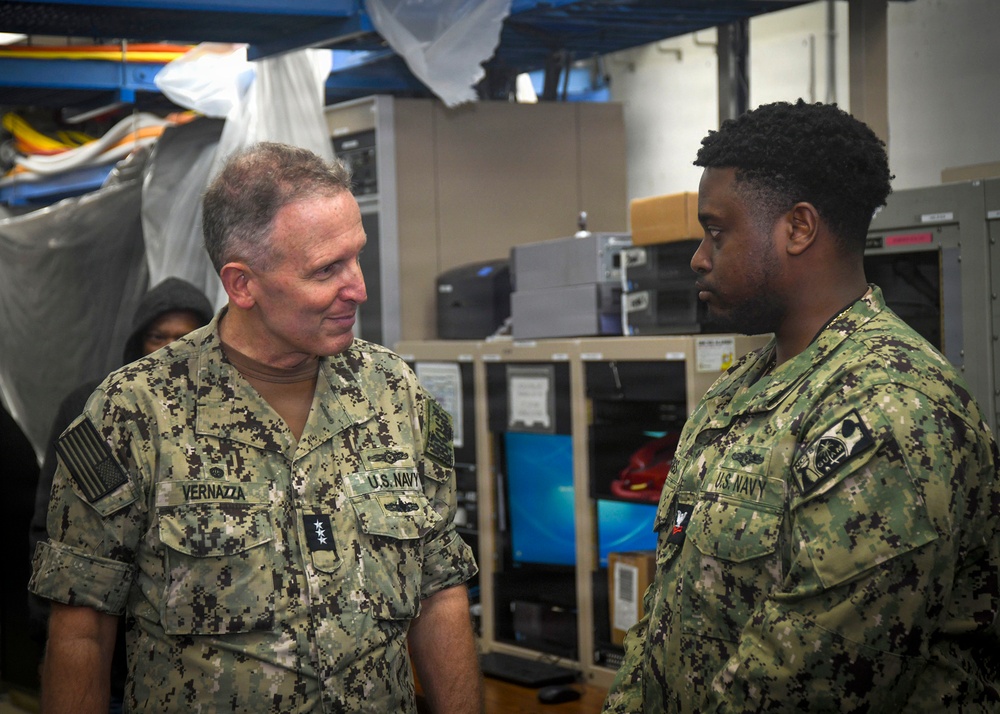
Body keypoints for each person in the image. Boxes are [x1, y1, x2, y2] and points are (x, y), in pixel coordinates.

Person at [30, 142, 482, 713]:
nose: (358, 288)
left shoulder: (393, 393)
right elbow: (81, 633)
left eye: (356, 257)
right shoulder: (133, 413)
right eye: (327, 269)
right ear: (242, 284)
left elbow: (439, 591)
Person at [603, 100, 1000, 713]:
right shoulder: (738, 392)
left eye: (716, 231)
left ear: (798, 228)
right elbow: (663, 624)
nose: (699, 258)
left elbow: (803, 685)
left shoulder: (891, 410)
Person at [27, 276, 214, 709]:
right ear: (137, 341)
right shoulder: (99, 412)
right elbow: (57, 537)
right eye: (158, 336)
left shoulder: (227, 417)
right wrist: (48, 639)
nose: (170, 348)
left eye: (185, 336)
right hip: (108, 665)